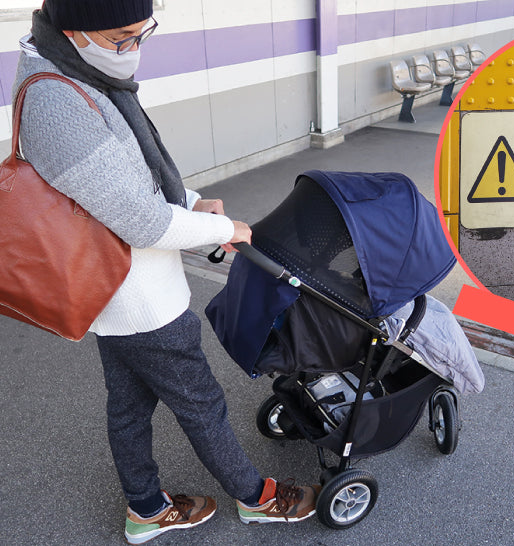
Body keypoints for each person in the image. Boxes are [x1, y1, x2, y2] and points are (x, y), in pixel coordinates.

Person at [13, 1, 317, 543]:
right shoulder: (57, 100)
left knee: (129, 410)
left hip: (115, 300)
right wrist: (227, 232)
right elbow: (144, 221)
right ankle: (255, 498)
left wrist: (194, 203)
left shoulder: (76, 68)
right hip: (142, 302)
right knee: (204, 406)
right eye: (122, 37)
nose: (132, 50)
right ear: (74, 27)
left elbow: (132, 183)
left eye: (141, 34)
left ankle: (146, 510)